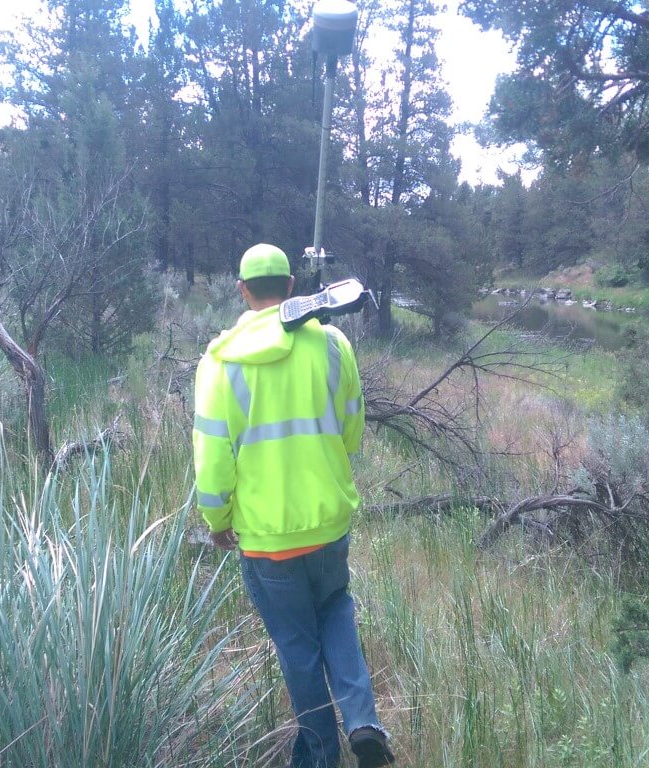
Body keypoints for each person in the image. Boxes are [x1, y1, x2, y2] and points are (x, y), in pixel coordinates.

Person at [192, 243, 394, 768]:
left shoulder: (219, 362)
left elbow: (212, 462)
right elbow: (352, 427)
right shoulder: (332, 344)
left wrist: (217, 521)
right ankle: (363, 721)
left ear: (241, 291)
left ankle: (320, 756)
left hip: (266, 543)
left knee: (298, 648)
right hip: (329, 525)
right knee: (336, 609)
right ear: (289, 286)